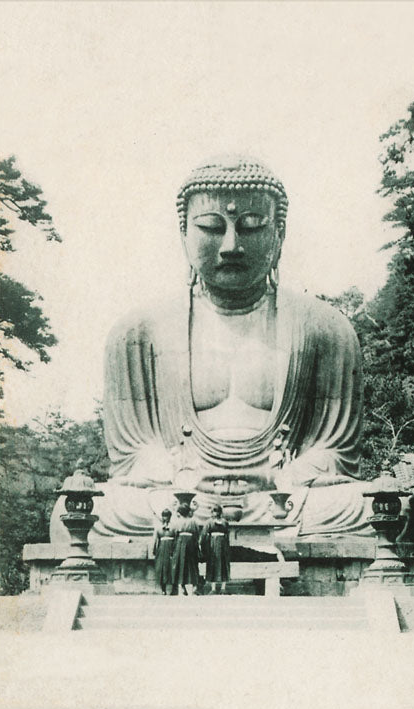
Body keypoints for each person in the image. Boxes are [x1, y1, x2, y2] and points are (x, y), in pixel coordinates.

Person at [51, 156, 373, 544]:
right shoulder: (137, 331)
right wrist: (183, 483)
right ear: (183, 233)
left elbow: (333, 451)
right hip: (177, 498)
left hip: (282, 500)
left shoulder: (325, 328)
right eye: (211, 227)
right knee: (82, 510)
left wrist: (282, 478)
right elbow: (134, 453)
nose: (231, 245)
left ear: (280, 233)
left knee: (374, 507)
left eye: (251, 227)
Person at [200, 505, 230, 594]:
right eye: (214, 511)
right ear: (212, 512)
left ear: (220, 512)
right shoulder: (209, 522)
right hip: (212, 546)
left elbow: (227, 534)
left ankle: (223, 588)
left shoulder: (224, 522)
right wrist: (203, 546)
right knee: (212, 564)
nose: (216, 513)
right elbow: (204, 535)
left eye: (217, 511)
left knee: (224, 564)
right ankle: (213, 588)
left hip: (223, 546)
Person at [171, 503, 200, 596]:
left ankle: (182, 586)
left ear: (180, 513)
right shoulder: (193, 521)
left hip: (180, 543)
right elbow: (197, 533)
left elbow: (174, 533)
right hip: (191, 543)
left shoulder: (177, 522)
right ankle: (194, 586)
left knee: (181, 564)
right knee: (192, 564)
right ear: (188, 512)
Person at [152, 509, 174, 595]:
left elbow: (176, 538)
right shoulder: (158, 528)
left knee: (172, 568)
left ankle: (173, 589)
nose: (165, 518)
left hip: (171, 548)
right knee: (161, 568)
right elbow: (155, 539)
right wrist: (154, 550)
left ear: (170, 517)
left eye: (167, 516)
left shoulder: (174, 527)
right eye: (164, 516)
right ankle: (163, 589)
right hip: (161, 549)